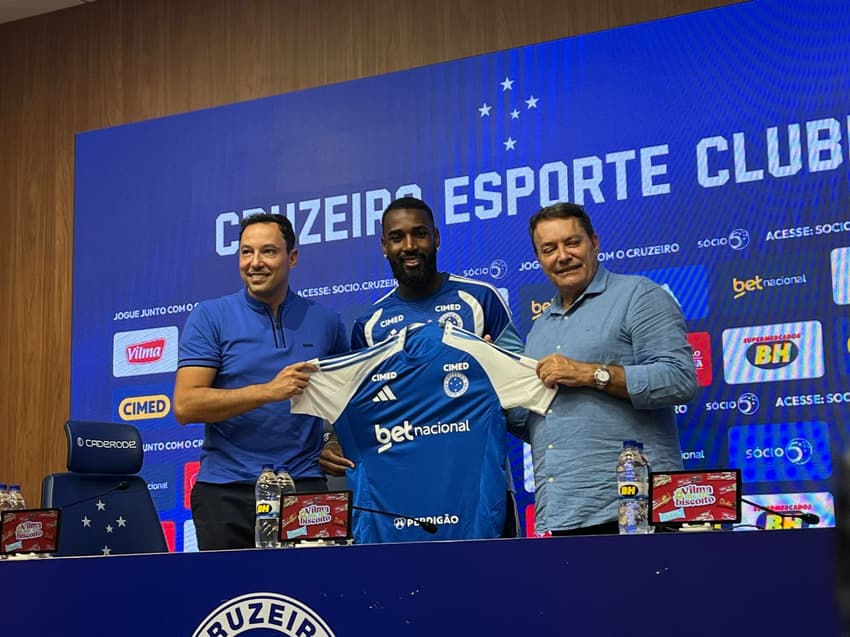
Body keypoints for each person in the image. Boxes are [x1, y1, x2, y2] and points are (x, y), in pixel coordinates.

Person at [320, 196, 525, 536]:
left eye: (420, 234)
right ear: (384, 246)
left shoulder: (480, 298)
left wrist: (496, 366)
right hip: (401, 496)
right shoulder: (369, 324)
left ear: (437, 238)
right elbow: (353, 407)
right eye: (397, 237)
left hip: (476, 492)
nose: (410, 246)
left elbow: (521, 386)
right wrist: (331, 441)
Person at [517, 202, 697, 535]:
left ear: (594, 243)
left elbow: (679, 379)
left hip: (637, 512)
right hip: (563, 514)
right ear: (539, 259)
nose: (563, 255)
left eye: (572, 242)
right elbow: (542, 423)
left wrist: (590, 374)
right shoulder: (540, 327)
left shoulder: (640, 295)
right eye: (549, 249)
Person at [173, 213, 349, 550]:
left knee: (312, 599)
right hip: (226, 491)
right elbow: (185, 405)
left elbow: (343, 398)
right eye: (246, 252)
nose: (255, 263)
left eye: (268, 251)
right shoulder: (210, 316)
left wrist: (331, 440)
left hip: (305, 484)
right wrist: (268, 391)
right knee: (231, 601)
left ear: (292, 257)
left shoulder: (326, 321)